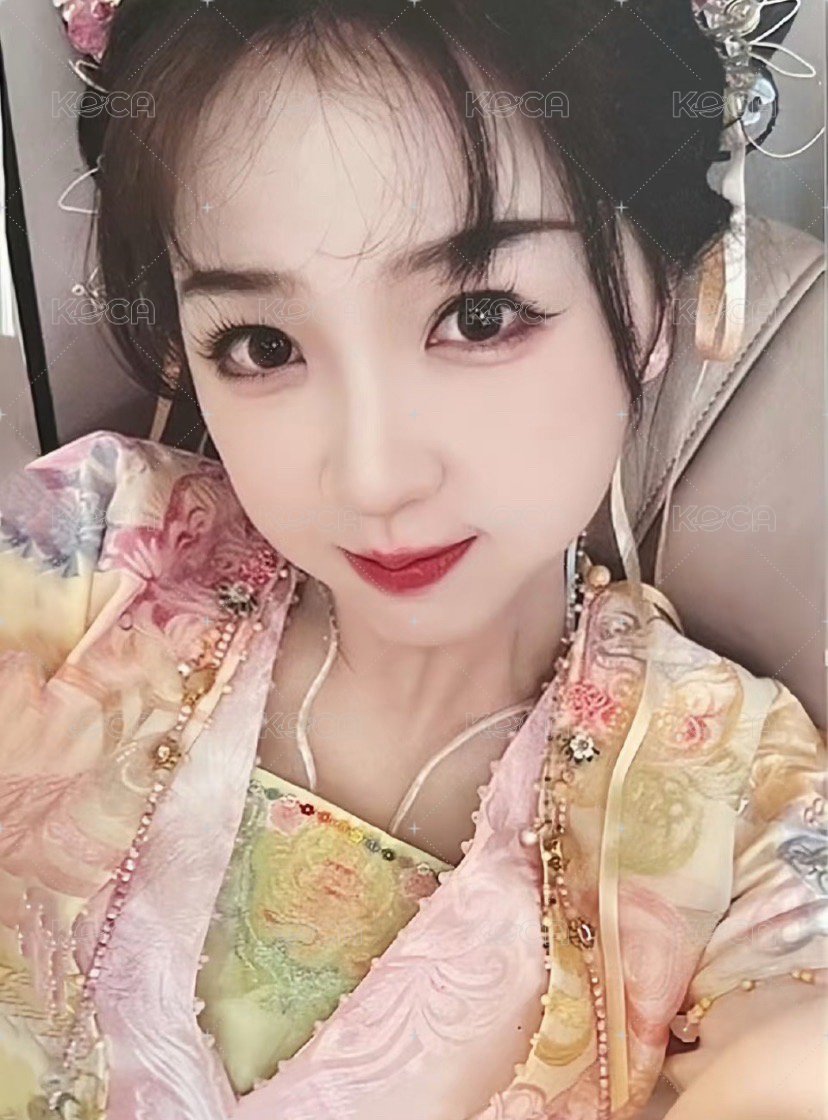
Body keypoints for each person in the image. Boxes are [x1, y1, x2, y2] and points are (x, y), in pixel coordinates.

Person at [1, 2, 825, 1118]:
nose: (371, 477)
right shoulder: (98, 549)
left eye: (479, 317)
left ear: (672, 294)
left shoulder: (744, 788)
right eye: (262, 345)